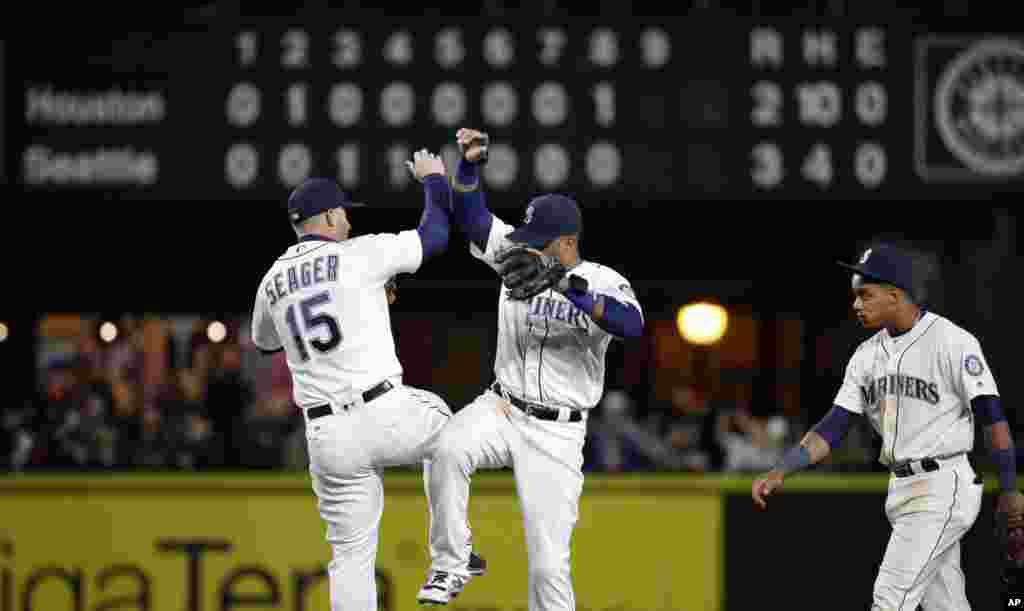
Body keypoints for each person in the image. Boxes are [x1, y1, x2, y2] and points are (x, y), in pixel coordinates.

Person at [415, 128, 645, 609]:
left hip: (557, 435)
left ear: (566, 242)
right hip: (502, 406)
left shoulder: (603, 280)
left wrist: (569, 287)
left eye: (541, 242)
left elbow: (633, 325)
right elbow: (474, 218)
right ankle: (452, 562)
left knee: (548, 567)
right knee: (446, 449)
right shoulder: (518, 255)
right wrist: (471, 166)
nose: (528, 247)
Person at [751, 242, 1024, 610]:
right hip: (902, 488)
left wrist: (1009, 489)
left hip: (943, 484)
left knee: (890, 599)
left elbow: (992, 418)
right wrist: (782, 469)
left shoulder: (952, 341)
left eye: (865, 294)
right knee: (946, 605)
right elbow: (834, 425)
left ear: (895, 294)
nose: (856, 304)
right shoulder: (865, 355)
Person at [249, 150, 457, 611]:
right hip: (383, 411)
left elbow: (266, 342)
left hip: (327, 436)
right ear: (326, 215)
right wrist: (435, 181)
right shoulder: (359, 253)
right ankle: (450, 556)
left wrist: (353, 301)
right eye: (342, 212)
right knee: (451, 430)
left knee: (350, 558)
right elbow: (436, 236)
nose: (347, 220)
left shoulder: (270, 283)